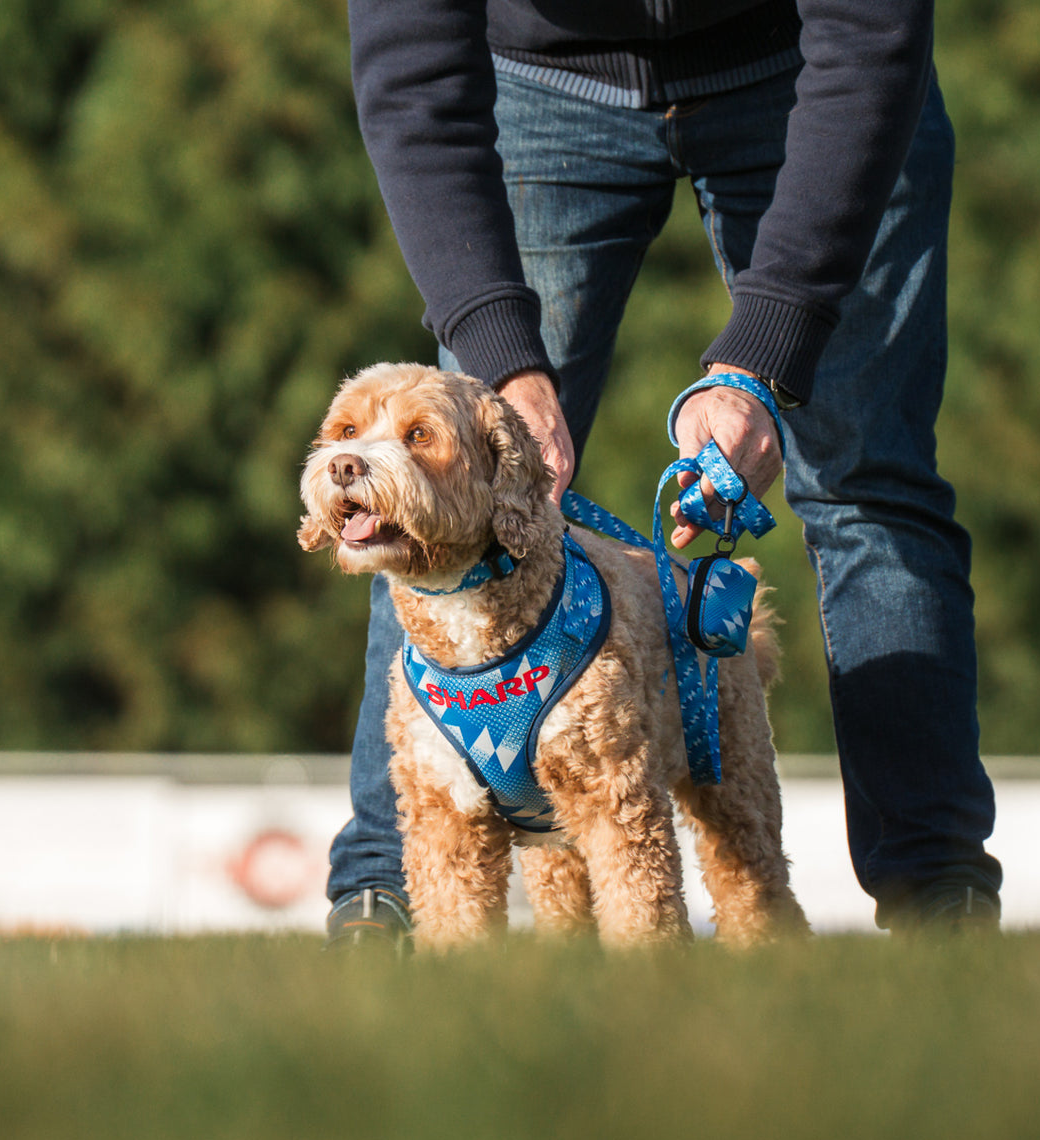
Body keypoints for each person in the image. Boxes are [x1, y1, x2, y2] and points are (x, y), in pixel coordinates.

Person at [324, 0, 1003, 945]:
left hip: (812, 71)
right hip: (538, 80)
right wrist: (502, 355)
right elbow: (411, 72)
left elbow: (872, 31)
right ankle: (383, 898)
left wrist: (766, 354)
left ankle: (942, 907)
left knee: (868, 482)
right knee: (434, 499)